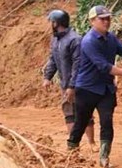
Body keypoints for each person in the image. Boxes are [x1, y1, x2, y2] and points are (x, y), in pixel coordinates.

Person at [67, 5, 122, 168]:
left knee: (107, 121)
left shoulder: (110, 38)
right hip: (87, 89)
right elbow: (103, 66)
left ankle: (104, 158)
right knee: (81, 122)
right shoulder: (88, 41)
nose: (106, 21)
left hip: (106, 89)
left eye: (108, 18)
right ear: (92, 21)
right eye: (102, 19)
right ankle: (71, 152)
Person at [42, 10, 97, 152]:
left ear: (56, 23)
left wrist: (72, 86)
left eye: (51, 22)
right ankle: (73, 145)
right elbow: (53, 59)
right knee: (69, 113)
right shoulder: (55, 40)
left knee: (85, 112)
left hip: (79, 84)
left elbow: (78, 64)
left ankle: (92, 143)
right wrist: (47, 77)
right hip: (65, 83)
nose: (50, 25)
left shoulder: (75, 39)